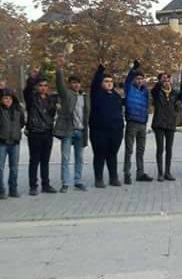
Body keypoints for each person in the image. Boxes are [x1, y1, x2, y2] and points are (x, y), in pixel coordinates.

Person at [54, 57, 90, 193]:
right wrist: (60, 69)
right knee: (65, 158)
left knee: (79, 158)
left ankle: (78, 181)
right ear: (70, 84)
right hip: (68, 131)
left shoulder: (84, 96)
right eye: (73, 83)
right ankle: (65, 183)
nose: (76, 85)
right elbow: (59, 84)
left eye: (78, 83)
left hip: (81, 131)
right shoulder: (66, 94)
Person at [23, 68, 58, 195]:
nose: (43, 88)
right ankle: (33, 186)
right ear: (37, 87)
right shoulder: (32, 99)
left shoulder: (51, 100)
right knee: (34, 160)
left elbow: (52, 114)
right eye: (41, 85)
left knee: (45, 160)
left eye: (45, 85)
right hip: (35, 132)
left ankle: (46, 184)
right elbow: (27, 90)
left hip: (47, 133)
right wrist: (32, 78)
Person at [89, 65, 124, 188]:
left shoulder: (116, 96)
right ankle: (99, 179)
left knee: (112, 154)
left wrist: (120, 127)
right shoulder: (96, 94)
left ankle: (113, 178)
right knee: (99, 155)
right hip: (99, 131)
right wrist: (100, 70)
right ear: (101, 83)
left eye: (111, 81)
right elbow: (94, 83)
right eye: (106, 81)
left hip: (115, 131)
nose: (109, 83)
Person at [123, 60, 153, 185]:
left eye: (141, 79)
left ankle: (140, 173)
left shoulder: (145, 91)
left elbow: (148, 105)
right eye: (137, 78)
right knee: (129, 150)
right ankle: (127, 174)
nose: (139, 80)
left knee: (141, 150)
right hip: (132, 123)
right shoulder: (129, 88)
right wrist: (134, 69)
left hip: (142, 123)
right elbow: (128, 79)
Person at [151, 71, 180, 182]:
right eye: (164, 79)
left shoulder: (174, 93)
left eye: (168, 79)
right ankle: (160, 173)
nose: (166, 80)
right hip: (159, 124)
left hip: (170, 124)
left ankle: (168, 172)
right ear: (160, 81)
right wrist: (161, 80)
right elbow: (155, 89)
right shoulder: (157, 92)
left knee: (169, 149)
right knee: (160, 149)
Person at [0, 88, 25, 199]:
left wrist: (16, 134)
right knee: (0, 168)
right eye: (5, 98)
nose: (7, 100)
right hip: (2, 143)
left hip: (14, 143)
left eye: (9, 98)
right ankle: (1, 191)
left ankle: (13, 190)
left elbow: (22, 123)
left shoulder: (18, 109)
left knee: (14, 167)